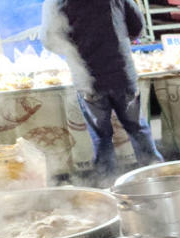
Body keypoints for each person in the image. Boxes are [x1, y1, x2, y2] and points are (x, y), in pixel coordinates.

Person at [41, 0, 162, 183]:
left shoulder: (56, 2)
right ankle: (158, 178)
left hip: (89, 80)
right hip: (122, 74)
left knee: (101, 136)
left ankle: (108, 184)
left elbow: (50, 39)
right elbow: (137, 27)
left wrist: (76, 47)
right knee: (138, 129)